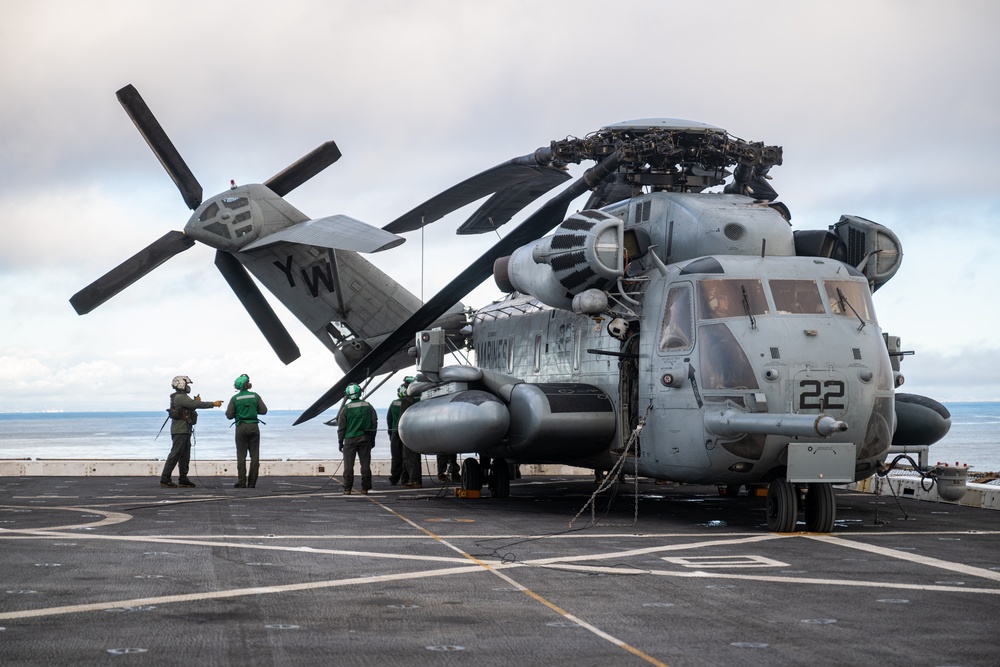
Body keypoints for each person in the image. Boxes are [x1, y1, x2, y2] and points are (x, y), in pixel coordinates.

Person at [160, 375, 222, 488]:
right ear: (181, 384)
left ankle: (183, 479)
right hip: (180, 431)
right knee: (175, 454)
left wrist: (195, 402)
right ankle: (165, 478)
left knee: (185, 455)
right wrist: (213, 404)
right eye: (187, 384)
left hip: (184, 430)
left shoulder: (181, 398)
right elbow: (194, 405)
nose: (188, 387)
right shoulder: (180, 397)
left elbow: (190, 406)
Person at [226, 374, 268, 489]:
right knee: (254, 456)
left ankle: (241, 481)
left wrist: (239, 412)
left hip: (241, 427)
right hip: (254, 426)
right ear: (247, 384)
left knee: (241, 456)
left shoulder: (235, 398)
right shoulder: (255, 396)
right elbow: (264, 411)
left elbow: (229, 415)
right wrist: (252, 410)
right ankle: (252, 482)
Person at [337, 383, 377, 495]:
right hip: (365, 439)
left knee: (348, 466)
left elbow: (341, 427)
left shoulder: (346, 409)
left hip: (350, 440)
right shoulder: (368, 406)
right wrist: (373, 439)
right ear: (359, 392)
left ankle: (347, 489)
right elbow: (374, 423)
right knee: (365, 465)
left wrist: (340, 441)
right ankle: (365, 488)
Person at [387, 384, 411, 486]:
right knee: (406, 457)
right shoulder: (410, 403)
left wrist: (390, 431)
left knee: (396, 456)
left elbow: (389, 418)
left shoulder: (394, 403)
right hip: (406, 433)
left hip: (395, 433)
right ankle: (405, 478)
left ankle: (394, 478)